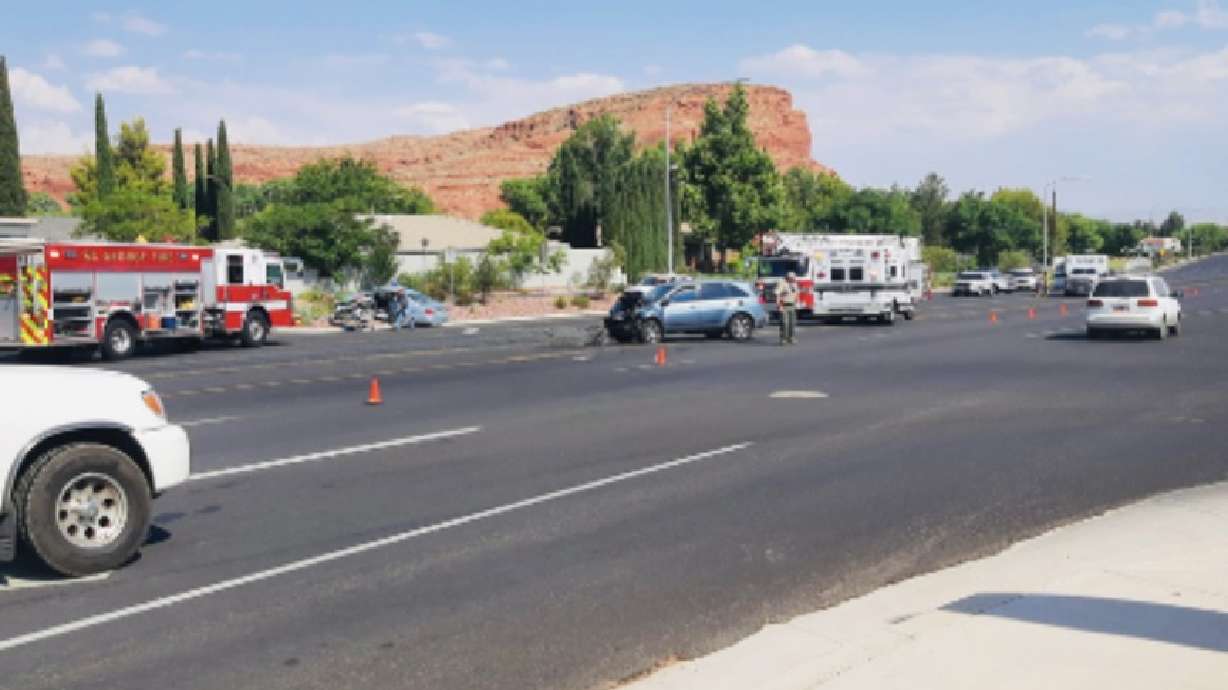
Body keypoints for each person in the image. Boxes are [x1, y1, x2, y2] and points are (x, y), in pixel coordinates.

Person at [777, 271, 799, 345]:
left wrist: (797, 303)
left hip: (792, 305)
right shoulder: (782, 283)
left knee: (792, 323)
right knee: (784, 323)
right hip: (784, 305)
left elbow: (796, 294)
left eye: (793, 278)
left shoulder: (794, 284)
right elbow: (778, 294)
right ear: (787, 277)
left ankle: (791, 338)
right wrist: (779, 305)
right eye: (791, 278)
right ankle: (783, 339)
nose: (793, 279)